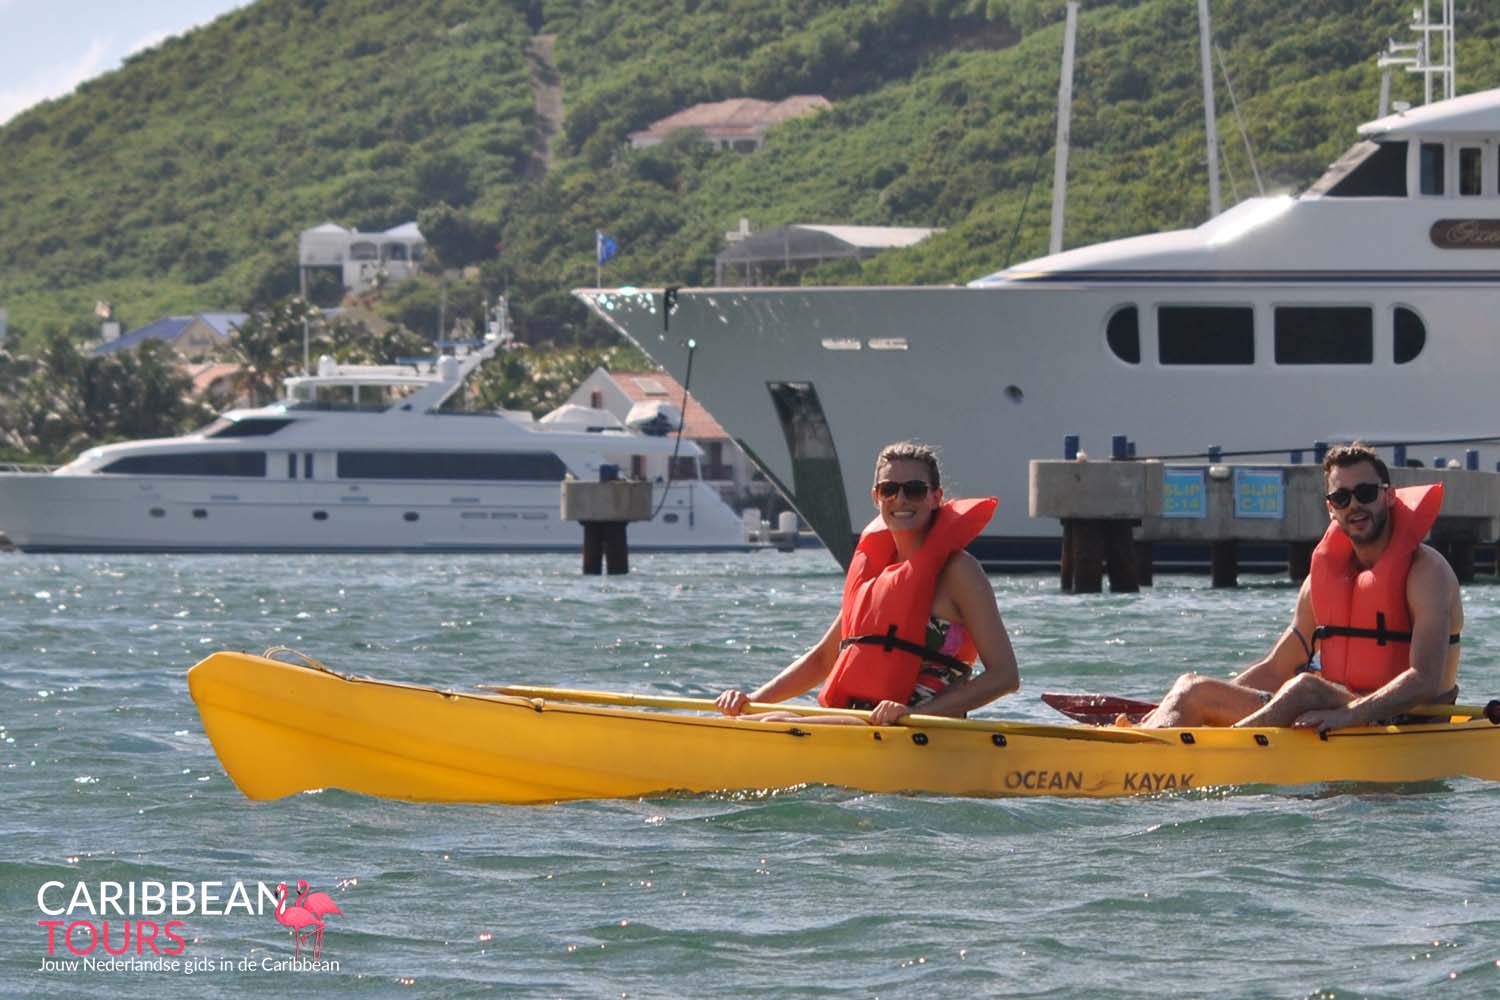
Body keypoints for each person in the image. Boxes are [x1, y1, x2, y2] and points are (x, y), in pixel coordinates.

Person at [1137, 443, 1462, 731]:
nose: (1354, 505)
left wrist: (1348, 715)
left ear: (1388, 495)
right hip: (1336, 712)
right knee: (1193, 688)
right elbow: (1276, 668)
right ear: (1331, 508)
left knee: (1305, 687)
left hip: (1409, 722)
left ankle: (1222, 750)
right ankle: (1142, 739)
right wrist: (1214, 706)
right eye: (1341, 497)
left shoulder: (1427, 573)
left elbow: (1425, 680)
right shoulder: (1322, 581)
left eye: (1366, 493)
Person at [715, 442, 1020, 726]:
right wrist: (751, 700)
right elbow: (822, 659)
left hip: (919, 730)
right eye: (889, 489)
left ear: (935, 497)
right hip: (859, 722)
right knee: (753, 721)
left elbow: (1005, 675)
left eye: (914, 490)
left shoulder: (960, 571)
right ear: (877, 497)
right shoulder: (876, 570)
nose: (900, 499)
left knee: (778, 724)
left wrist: (913, 714)